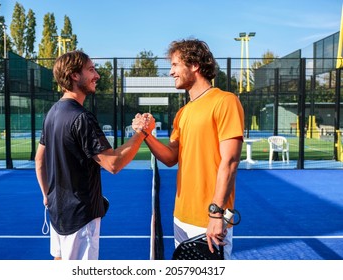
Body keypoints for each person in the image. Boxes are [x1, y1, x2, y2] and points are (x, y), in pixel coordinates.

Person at [35, 50, 154, 260]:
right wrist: (142, 132)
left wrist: (47, 196)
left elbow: (39, 160)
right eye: (91, 70)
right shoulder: (82, 118)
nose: (97, 75)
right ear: (74, 75)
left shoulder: (52, 113)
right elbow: (113, 164)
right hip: (80, 217)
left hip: (58, 213)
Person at [133, 39, 244, 259]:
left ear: (194, 65)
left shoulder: (225, 101)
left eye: (175, 65)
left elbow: (230, 161)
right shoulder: (182, 113)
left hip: (209, 218)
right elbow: (170, 157)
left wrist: (216, 213)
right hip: (181, 216)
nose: (171, 72)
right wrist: (145, 134)